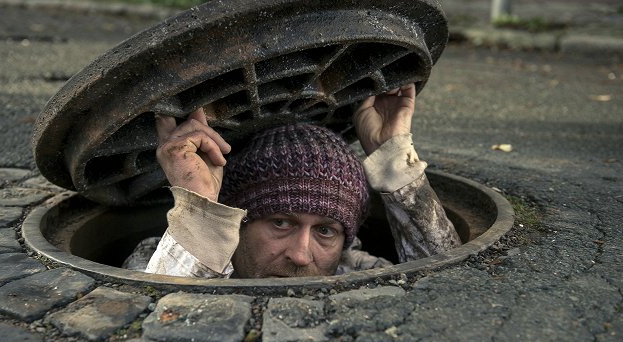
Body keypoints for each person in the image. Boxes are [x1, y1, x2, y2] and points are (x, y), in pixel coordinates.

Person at [123, 84, 461, 278]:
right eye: (281, 222)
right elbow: (155, 321)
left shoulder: (354, 270)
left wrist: (394, 160)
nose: (301, 256)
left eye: (326, 231)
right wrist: (199, 206)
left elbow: (450, 291)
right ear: (236, 223)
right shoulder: (157, 257)